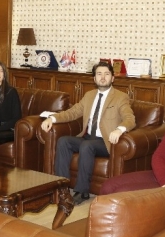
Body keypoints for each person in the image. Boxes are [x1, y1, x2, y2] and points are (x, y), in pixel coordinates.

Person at [41, 61, 135, 205]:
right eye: (99, 74)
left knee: (87, 146)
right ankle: (62, 188)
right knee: (63, 141)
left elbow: (130, 119)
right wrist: (52, 118)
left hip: (105, 141)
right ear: (94, 78)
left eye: (106, 74)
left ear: (112, 78)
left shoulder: (120, 97)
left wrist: (119, 129)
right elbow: (72, 112)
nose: (102, 77)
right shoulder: (89, 95)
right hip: (88, 137)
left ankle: (82, 191)